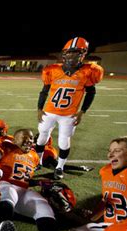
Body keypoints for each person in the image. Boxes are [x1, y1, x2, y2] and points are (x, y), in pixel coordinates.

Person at [36, 37, 104, 180]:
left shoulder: (88, 71)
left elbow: (91, 93)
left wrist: (82, 111)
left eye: (75, 52)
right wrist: (39, 108)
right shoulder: (53, 70)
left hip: (68, 115)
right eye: (69, 52)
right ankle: (38, 162)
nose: (71, 55)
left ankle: (60, 167)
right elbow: (44, 91)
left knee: (63, 141)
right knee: (42, 138)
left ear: (83, 54)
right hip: (49, 111)